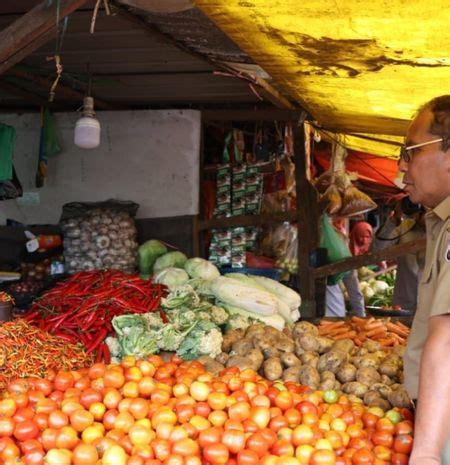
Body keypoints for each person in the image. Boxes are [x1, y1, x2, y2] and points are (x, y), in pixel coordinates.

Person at [398, 95, 450, 465]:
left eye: (411, 150)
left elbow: (448, 343)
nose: (402, 163)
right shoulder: (440, 222)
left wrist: (428, 454)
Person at [325, 220, 372, 318]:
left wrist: (361, 316)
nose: (364, 241)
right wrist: (361, 315)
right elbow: (354, 289)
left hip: (334, 311)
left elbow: (354, 289)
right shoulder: (342, 254)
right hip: (332, 311)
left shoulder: (343, 255)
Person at [391, 198, 426, 310]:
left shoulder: (444, 231)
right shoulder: (404, 227)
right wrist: (394, 218)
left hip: (431, 304)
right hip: (404, 302)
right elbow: (378, 248)